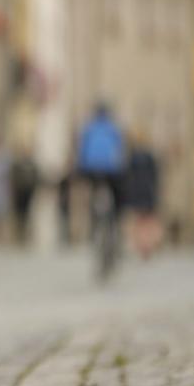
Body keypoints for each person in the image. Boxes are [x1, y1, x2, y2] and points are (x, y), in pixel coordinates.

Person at [76, 103, 127, 279]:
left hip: (91, 171)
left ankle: (94, 225)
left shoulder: (88, 128)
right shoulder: (114, 128)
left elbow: (82, 153)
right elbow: (121, 151)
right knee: (117, 201)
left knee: (94, 198)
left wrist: (81, 172)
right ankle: (116, 225)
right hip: (112, 171)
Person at [123, 127, 162, 259]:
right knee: (148, 220)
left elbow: (127, 176)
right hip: (148, 191)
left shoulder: (132, 157)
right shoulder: (150, 157)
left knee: (139, 220)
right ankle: (148, 244)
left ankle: (140, 244)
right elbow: (155, 176)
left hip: (136, 192)